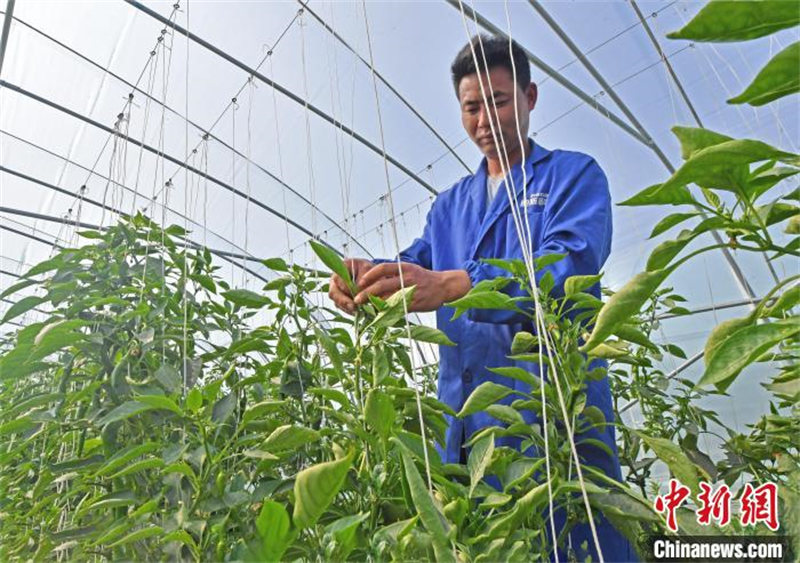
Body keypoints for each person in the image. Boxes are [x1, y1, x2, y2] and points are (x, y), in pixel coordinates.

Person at [328, 34, 633, 561]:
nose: (485, 120)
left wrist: (455, 285)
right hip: (467, 431)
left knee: (574, 543)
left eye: (499, 100)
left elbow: (569, 266)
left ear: (530, 97)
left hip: (551, 421)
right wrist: (369, 277)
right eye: (472, 107)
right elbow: (416, 265)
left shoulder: (571, 177)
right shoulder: (449, 207)